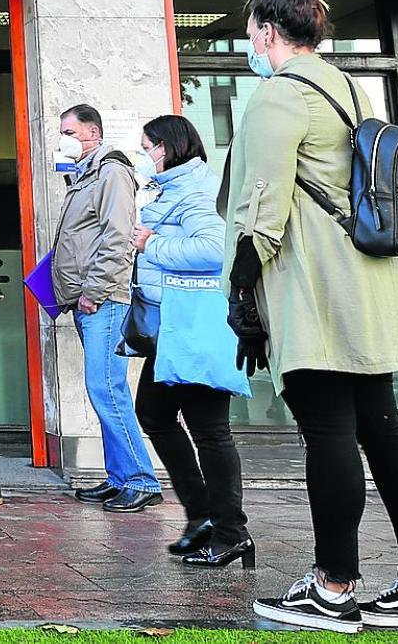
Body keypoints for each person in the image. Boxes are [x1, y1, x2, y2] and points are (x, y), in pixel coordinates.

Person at [225, 0, 398, 633]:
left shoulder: (277, 94)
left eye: (250, 32)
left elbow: (261, 207)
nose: (249, 45)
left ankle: (331, 586)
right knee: (383, 430)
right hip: (369, 284)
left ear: (267, 30)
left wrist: (242, 295)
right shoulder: (349, 88)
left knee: (326, 428)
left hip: (315, 286)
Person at [129, 116, 253, 567]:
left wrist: (152, 245)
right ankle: (202, 516)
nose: (145, 155)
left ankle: (229, 531)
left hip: (194, 325)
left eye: (148, 147)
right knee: (155, 414)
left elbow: (215, 250)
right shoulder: (173, 188)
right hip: (172, 327)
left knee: (209, 430)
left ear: (166, 147)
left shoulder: (195, 190)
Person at [52, 104, 163, 513]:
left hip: (104, 300)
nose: (63, 137)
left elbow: (117, 238)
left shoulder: (111, 171)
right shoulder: (85, 175)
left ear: (92, 133)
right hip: (87, 299)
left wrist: (94, 291)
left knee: (107, 388)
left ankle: (140, 479)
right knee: (103, 388)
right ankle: (120, 477)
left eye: (69, 130)